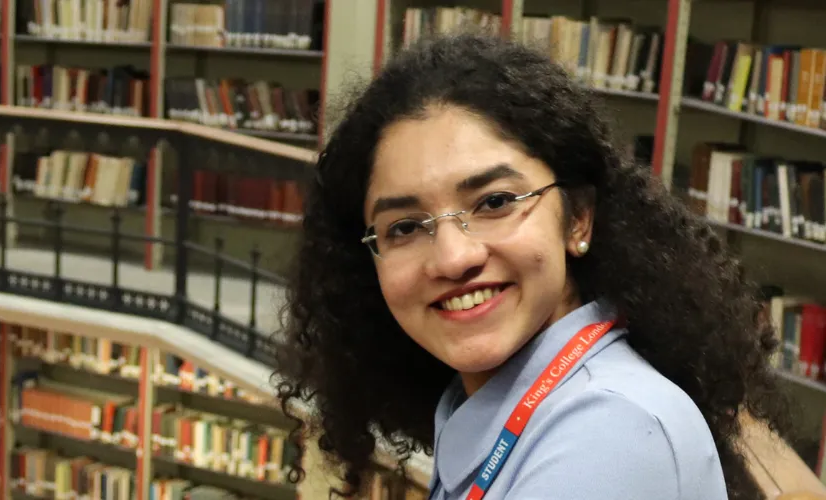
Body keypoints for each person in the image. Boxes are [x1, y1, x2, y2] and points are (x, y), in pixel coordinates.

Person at [275, 33, 786, 499]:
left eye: (495, 202)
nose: (454, 258)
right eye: (405, 227)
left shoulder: (609, 432)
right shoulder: (494, 396)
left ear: (578, 219)